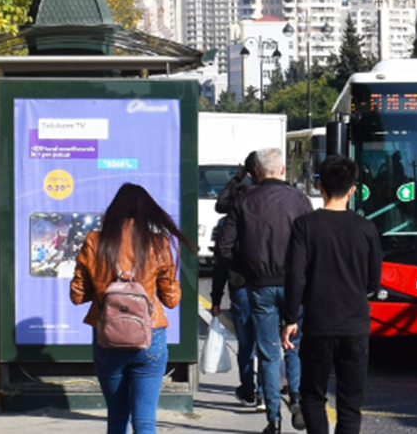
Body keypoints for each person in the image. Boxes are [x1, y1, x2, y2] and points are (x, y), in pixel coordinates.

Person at [70, 183, 192, 434]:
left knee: (116, 418)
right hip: (150, 337)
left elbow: (77, 295)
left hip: (108, 338)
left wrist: (104, 289)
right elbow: (171, 299)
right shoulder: (158, 243)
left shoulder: (95, 241)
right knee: (145, 421)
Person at [282, 155, 382, 434]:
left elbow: (295, 275)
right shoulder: (367, 228)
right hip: (355, 325)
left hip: (318, 325)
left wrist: (290, 318)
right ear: (352, 190)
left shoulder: (305, 225)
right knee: (350, 403)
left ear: (320, 187)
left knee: (313, 395)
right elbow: (374, 281)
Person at [218, 147, 313, 434]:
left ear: (256, 172)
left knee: (269, 352)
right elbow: (311, 242)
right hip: (295, 282)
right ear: (282, 170)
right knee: (295, 343)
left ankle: (274, 419)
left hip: (259, 285)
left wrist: (245, 268)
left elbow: (224, 246)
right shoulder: (300, 200)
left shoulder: (244, 201)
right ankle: (296, 397)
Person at [211, 151, 264, 410]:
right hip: (266, 283)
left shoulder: (227, 222)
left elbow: (221, 262)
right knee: (267, 341)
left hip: (240, 285)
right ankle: (266, 390)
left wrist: (215, 299)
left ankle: (248, 389)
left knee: (246, 342)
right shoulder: (264, 211)